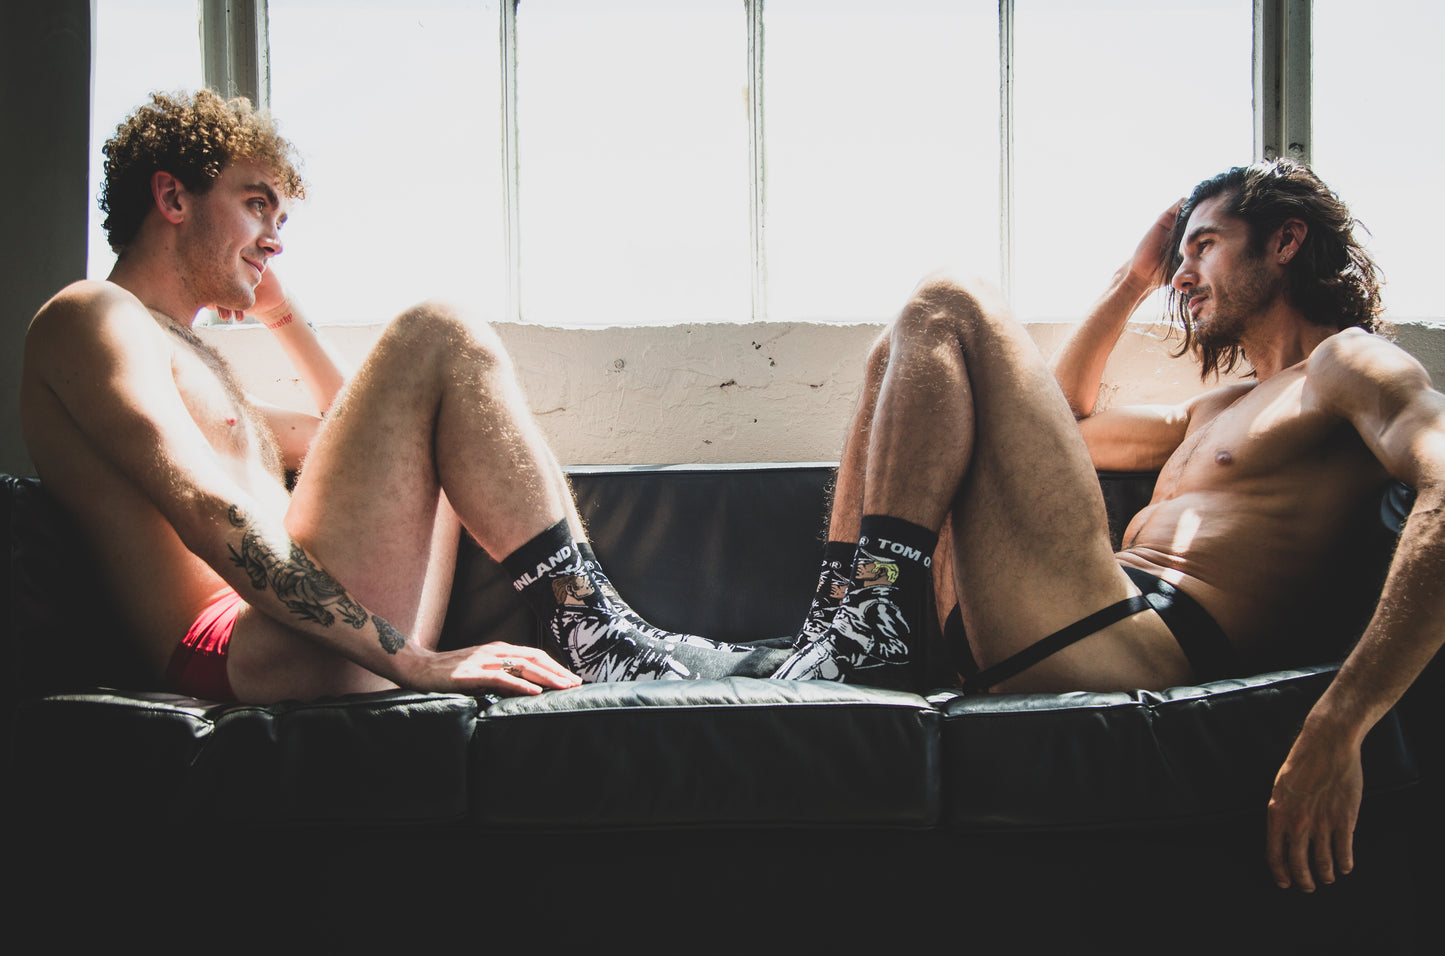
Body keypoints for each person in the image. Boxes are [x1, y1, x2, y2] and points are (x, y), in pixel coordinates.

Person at [769, 159, 1445, 894]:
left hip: (1144, 645)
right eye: (1179, 256)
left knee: (949, 297)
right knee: (896, 352)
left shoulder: (1347, 362)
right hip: (1068, 616)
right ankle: (836, 628)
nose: (1181, 275)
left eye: (1205, 245)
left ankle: (865, 634)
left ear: (1285, 241)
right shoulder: (1217, 408)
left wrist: (1341, 720)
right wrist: (1132, 280)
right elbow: (1060, 425)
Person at [20, 89, 788, 708]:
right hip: (236, 654)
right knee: (436, 329)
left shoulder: (189, 356)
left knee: (435, 404)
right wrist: (413, 661)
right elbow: (203, 504)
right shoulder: (91, 314)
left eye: (280, 220)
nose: (275, 238)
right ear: (172, 196)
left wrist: (283, 316)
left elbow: (359, 439)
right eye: (256, 204)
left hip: (317, 637)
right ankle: (598, 633)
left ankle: (601, 630)